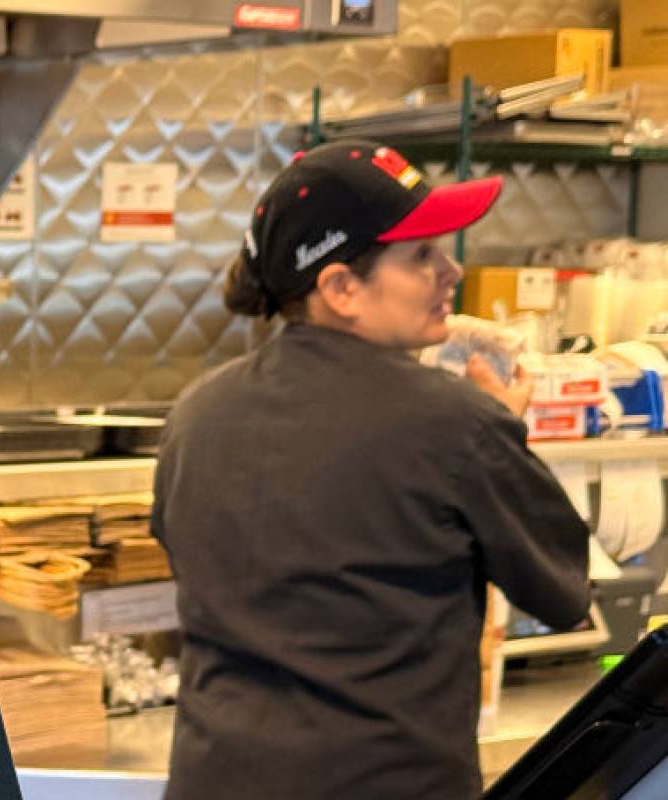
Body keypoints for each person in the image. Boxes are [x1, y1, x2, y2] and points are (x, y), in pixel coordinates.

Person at [152, 141, 590, 799]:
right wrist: (507, 434)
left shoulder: (196, 411)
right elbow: (562, 593)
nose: (452, 269)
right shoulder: (456, 422)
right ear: (340, 287)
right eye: (420, 256)